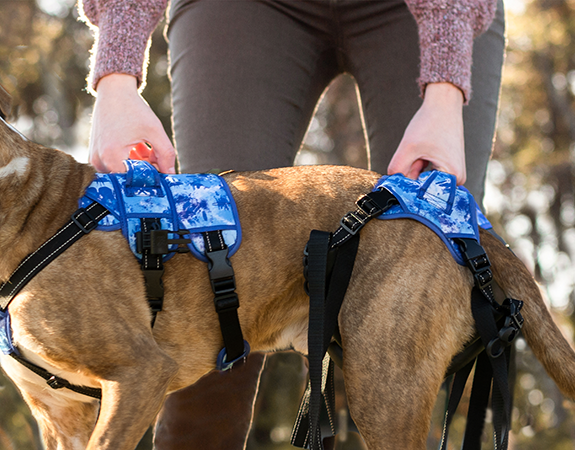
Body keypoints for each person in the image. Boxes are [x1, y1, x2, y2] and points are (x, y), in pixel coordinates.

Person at [80, 0, 505, 448]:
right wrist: (116, 81)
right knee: (209, 264)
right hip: (248, 11)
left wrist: (445, 91)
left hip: (421, 12)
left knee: (418, 269)